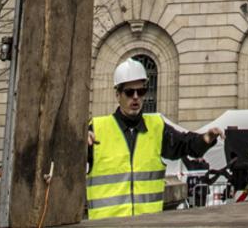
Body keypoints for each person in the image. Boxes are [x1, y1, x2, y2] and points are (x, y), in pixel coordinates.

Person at [86, 59, 217, 218]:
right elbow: (66, 159)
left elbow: (186, 145)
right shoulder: (97, 129)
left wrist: (206, 139)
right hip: (106, 223)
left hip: (146, 222)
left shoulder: (157, 127)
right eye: (129, 92)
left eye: (141, 92)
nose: (136, 97)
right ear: (117, 95)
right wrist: (78, 143)